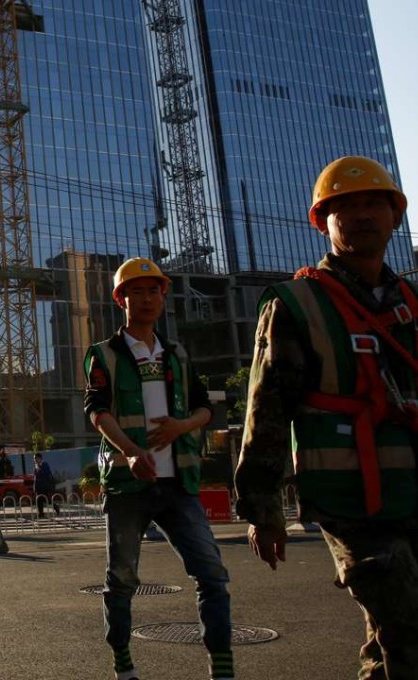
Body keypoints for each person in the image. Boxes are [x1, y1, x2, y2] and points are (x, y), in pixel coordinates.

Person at [235, 156, 417, 679]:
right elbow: (266, 407)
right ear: (323, 221)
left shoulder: (411, 302)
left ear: (395, 217)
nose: (362, 215)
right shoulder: (298, 303)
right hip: (352, 501)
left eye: (373, 204)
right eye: (346, 206)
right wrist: (262, 506)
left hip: (412, 490)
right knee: (409, 633)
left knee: (389, 647)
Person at [83, 257, 233, 680]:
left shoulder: (177, 355)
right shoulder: (103, 355)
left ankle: (222, 666)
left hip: (178, 485)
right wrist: (131, 452)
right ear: (120, 299)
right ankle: (123, 662)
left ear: (163, 296)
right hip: (128, 486)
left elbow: (205, 407)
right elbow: (97, 411)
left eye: (154, 290)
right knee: (122, 579)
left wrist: (181, 426)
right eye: (136, 291)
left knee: (212, 574)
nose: (146, 298)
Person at [33, 452, 59, 518]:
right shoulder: (36, 466)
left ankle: (56, 507)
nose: (35, 460)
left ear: (40, 458)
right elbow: (35, 477)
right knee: (39, 500)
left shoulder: (45, 464)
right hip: (38, 487)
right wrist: (35, 486)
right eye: (34, 459)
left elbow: (46, 474)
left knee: (47, 500)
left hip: (45, 486)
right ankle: (41, 514)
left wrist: (39, 469)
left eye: (36, 458)